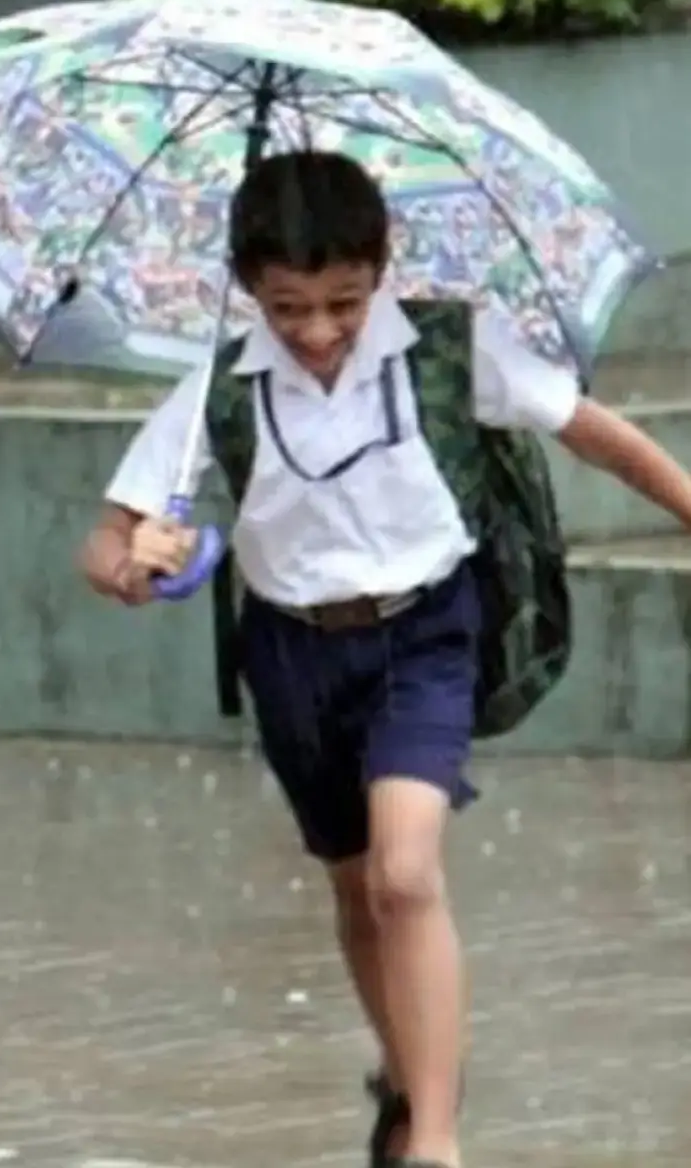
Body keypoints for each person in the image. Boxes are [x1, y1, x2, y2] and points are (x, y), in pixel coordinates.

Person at [80, 149, 691, 1168]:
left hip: (424, 634)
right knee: (355, 885)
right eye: (287, 306)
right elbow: (104, 545)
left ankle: (435, 1143)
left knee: (405, 874)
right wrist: (133, 566)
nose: (316, 330)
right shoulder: (213, 389)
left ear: (379, 270)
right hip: (289, 654)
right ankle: (407, 1072)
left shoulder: (449, 348)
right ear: (247, 288)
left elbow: (597, 436)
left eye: (341, 301)